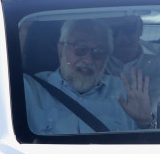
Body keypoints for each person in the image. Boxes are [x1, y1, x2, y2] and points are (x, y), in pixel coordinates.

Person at [23, 19, 152, 134]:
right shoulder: (30, 89)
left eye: (99, 52)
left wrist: (145, 123)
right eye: (80, 48)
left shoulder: (124, 93)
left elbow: (144, 147)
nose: (89, 60)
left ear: (107, 57)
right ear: (61, 50)